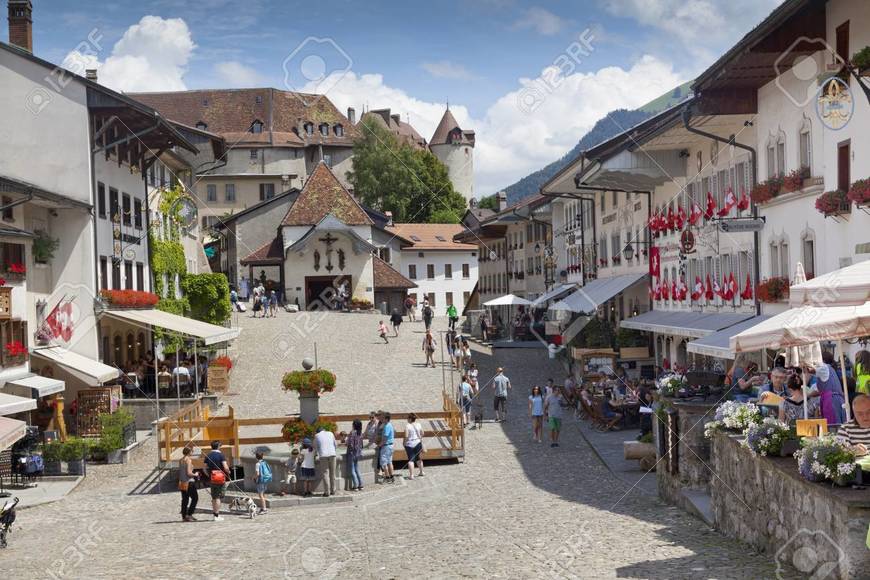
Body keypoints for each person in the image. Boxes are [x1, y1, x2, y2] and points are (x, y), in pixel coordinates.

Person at [814, 351, 847, 425]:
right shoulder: (831, 369)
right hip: (838, 400)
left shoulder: (824, 367)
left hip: (831, 401)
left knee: (832, 427)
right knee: (840, 425)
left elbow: (811, 370)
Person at [203, 440, 229, 521]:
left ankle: (215, 514)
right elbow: (225, 467)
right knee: (218, 497)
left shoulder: (208, 455)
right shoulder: (221, 455)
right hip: (220, 478)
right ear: (218, 446)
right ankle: (217, 515)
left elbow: (204, 468)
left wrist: (209, 475)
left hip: (212, 478)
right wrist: (228, 472)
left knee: (214, 497)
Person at [314, 427, 337, 497]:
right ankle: (333, 490)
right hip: (333, 454)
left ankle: (327, 492)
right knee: (333, 473)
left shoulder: (317, 435)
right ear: (324, 430)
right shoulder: (331, 433)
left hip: (323, 455)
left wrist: (316, 454)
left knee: (325, 473)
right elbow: (335, 444)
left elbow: (315, 447)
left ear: (317, 432)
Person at [178, 446, 198, 522]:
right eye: (192, 451)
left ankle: (184, 516)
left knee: (184, 500)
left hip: (182, 482)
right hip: (189, 482)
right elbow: (189, 473)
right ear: (189, 452)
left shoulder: (181, 460)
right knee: (195, 498)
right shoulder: (188, 460)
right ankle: (189, 514)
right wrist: (195, 474)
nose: (192, 452)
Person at [404, 413, 425, 479]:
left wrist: (404, 442)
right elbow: (423, 433)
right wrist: (419, 438)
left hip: (410, 444)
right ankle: (421, 472)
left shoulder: (407, 426)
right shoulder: (419, 424)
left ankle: (411, 475)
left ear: (410, 419)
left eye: (408, 418)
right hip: (418, 443)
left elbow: (406, 436)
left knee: (411, 460)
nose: (407, 419)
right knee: (418, 458)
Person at [345, 419, 364, 491]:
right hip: (358, 453)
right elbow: (361, 445)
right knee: (357, 468)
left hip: (351, 453)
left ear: (354, 425)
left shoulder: (352, 433)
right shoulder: (360, 433)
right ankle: (361, 485)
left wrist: (346, 441)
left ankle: (355, 486)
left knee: (352, 469)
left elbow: (349, 443)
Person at [380, 412, 395, 483]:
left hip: (386, 446)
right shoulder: (389, 425)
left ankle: (387, 477)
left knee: (384, 462)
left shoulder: (387, 426)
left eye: (383, 418)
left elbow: (385, 438)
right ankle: (392, 476)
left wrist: (380, 445)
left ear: (386, 419)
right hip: (390, 445)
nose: (381, 419)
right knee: (389, 462)